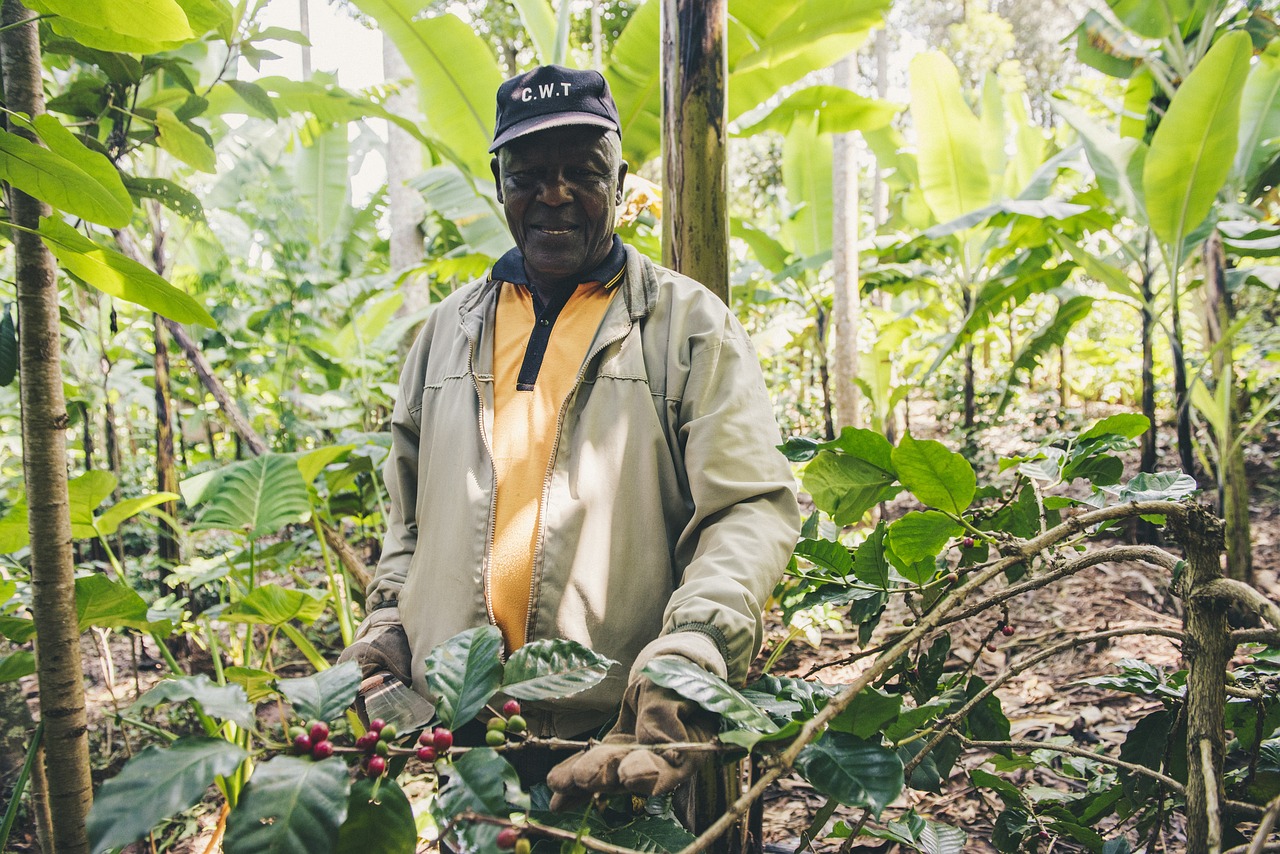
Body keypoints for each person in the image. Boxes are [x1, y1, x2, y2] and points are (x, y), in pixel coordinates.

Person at [339, 64, 799, 808]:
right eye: (529, 175)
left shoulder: (686, 325)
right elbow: (410, 520)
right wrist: (389, 622)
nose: (553, 195)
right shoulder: (444, 335)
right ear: (498, 183)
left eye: (581, 173)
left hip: (627, 736)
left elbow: (748, 508)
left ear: (618, 182)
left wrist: (692, 652)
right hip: (474, 735)